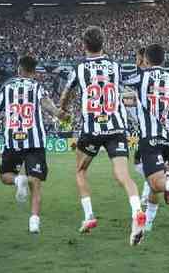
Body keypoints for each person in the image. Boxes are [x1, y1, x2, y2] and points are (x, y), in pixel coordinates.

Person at [59, 26, 146, 246]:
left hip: (92, 130)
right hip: (116, 128)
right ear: (103, 44)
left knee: (80, 170)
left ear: (84, 45)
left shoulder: (79, 68)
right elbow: (126, 86)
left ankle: (89, 216)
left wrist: (62, 110)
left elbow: (67, 94)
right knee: (123, 176)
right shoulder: (115, 67)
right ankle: (137, 211)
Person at [0, 55, 62, 233]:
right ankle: (34, 222)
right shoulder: (37, 87)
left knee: (5, 176)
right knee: (35, 182)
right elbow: (48, 105)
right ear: (34, 72)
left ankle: (18, 180)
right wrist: (59, 113)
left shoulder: (7, 87)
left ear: (19, 69)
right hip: (34, 141)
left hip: (12, 141)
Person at [124, 44, 169, 231]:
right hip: (168, 139)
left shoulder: (142, 76)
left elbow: (120, 79)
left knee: (153, 179)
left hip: (151, 137)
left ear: (145, 59)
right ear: (163, 59)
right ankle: (149, 223)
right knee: (154, 180)